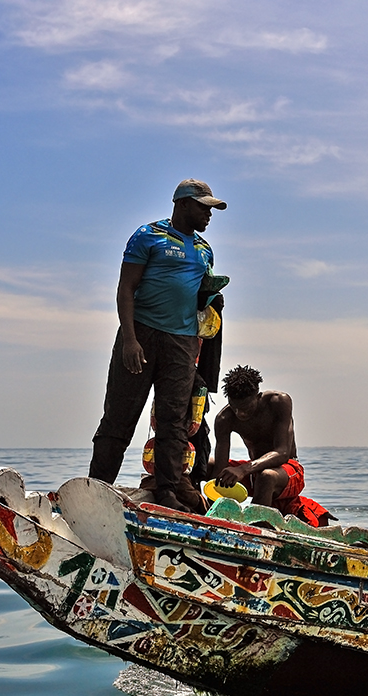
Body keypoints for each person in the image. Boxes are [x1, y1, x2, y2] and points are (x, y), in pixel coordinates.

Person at [88, 179, 227, 511]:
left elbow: (195, 297)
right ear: (181, 203)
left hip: (182, 343)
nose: (209, 214)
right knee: (119, 417)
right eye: (203, 207)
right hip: (142, 336)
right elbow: (126, 288)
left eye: (211, 208)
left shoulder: (205, 249)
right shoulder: (147, 236)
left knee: (173, 423)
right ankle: (95, 488)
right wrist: (130, 339)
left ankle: (166, 492)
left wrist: (211, 297)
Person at [210, 365, 334, 527]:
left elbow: (282, 452)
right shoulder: (224, 419)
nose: (240, 414)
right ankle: (203, 515)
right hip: (254, 473)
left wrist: (242, 470)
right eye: (235, 408)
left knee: (266, 476)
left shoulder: (278, 402)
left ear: (258, 397)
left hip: (287, 470)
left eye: (246, 408)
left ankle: (256, 528)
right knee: (207, 464)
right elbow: (219, 470)